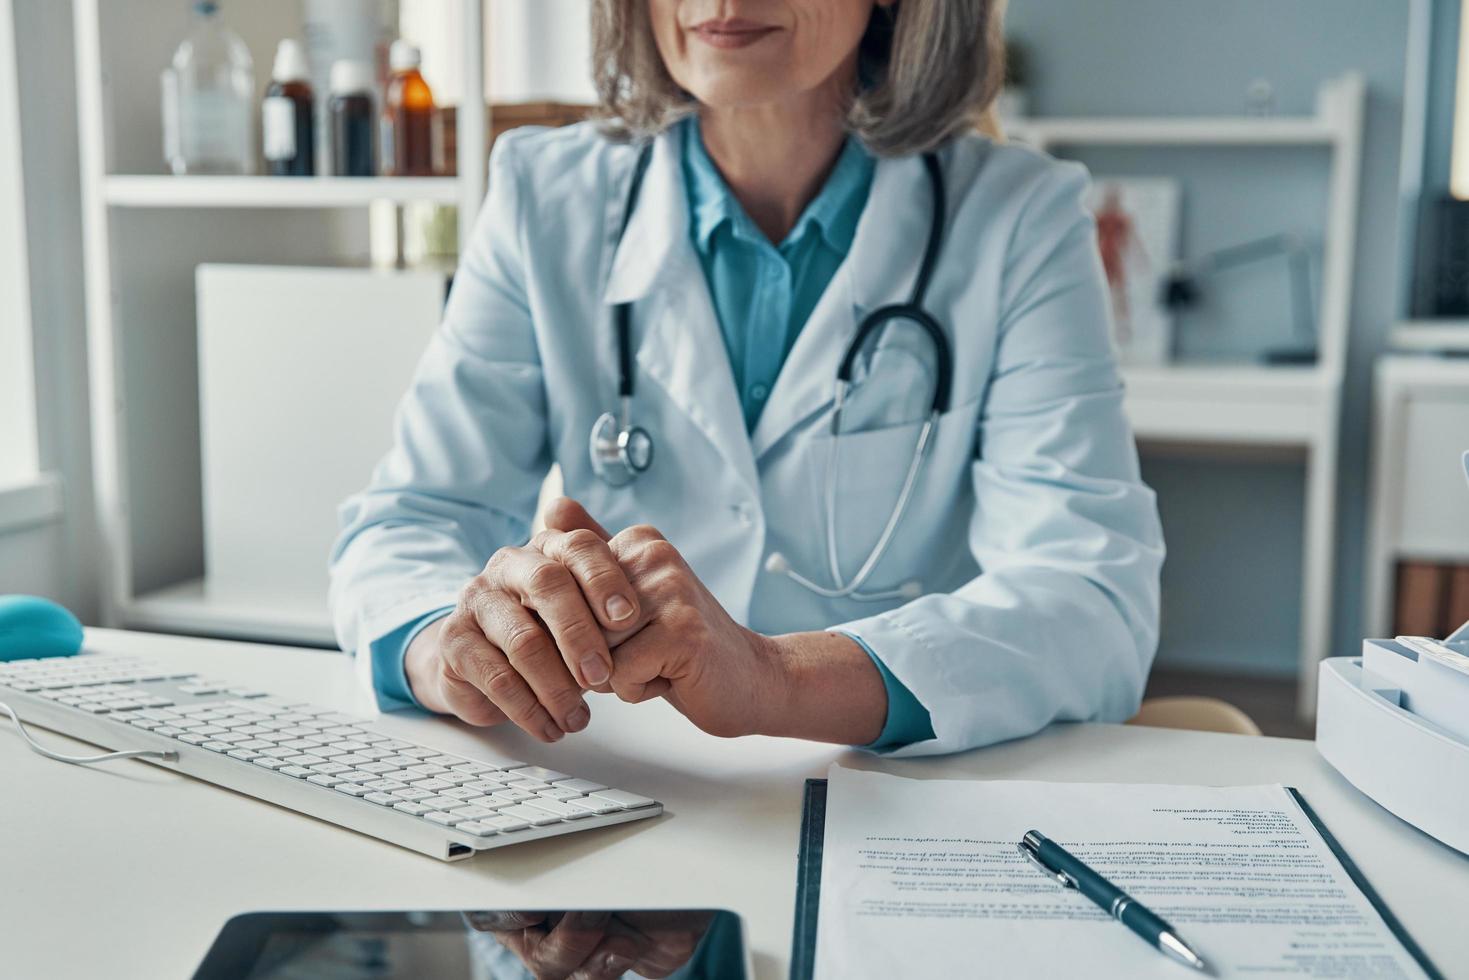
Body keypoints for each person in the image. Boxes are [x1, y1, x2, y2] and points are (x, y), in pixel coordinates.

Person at [329, 0, 1165, 758]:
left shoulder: (1018, 216)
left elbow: (1090, 600)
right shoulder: (545, 195)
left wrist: (775, 677)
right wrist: (454, 644)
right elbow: (411, 521)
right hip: (629, 779)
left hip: (887, 802)